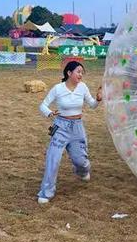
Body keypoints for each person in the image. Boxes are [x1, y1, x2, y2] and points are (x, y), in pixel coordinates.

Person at [37, 61, 102, 204]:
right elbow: (42, 105)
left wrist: (98, 99)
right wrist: (49, 113)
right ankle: (46, 192)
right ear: (69, 73)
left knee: (81, 161)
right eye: (78, 72)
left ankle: (83, 171)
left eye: (82, 73)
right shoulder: (58, 89)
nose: (81, 75)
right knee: (53, 159)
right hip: (60, 127)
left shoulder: (83, 87)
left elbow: (92, 105)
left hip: (77, 127)